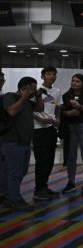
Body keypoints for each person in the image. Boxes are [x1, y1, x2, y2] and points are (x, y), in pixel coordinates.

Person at [1, 77, 44, 211]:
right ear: (23, 88)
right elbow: (11, 111)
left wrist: (38, 96)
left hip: (24, 143)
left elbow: (40, 108)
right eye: (31, 88)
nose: (33, 91)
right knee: (15, 172)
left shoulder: (28, 102)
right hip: (12, 142)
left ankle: (8, 197)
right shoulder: (10, 96)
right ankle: (14, 199)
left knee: (20, 171)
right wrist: (24, 97)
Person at [59, 74, 83, 195]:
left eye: (77, 81)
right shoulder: (66, 95)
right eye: (73, 80)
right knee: (71, 157)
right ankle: (71, 182)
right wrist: (69, 113)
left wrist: (79, 107)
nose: (74, 83)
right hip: (71, 128)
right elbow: (60, 111)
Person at [31, 66, 62, 201]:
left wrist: (58, 119)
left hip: (51, 128)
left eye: (54, 74)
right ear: (42, 76)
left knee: (49, 160)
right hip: (38, 129)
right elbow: (30, 110)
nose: (51, 76)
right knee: (41, 160)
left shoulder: (56, 91)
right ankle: (38, 190)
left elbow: (57, 107)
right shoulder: (35, 92)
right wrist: (41, 119)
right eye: (48, 74)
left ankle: (44, 186)